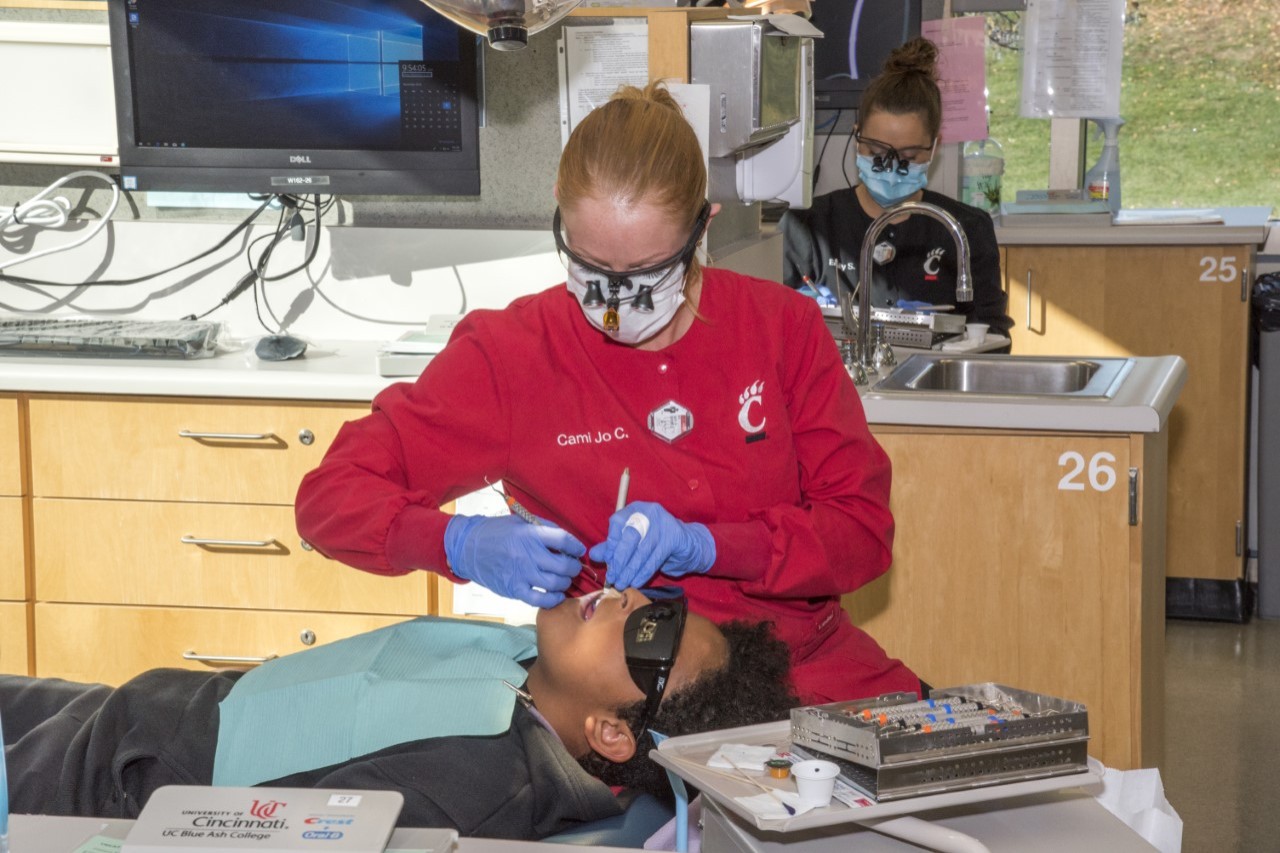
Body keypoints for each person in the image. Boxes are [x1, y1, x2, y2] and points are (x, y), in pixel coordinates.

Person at [294, 81, 924, 705]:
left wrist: (711, 545)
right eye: (591, 269)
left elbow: (860, 533)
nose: (616, 303)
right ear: (560, 213)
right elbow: (329, 501)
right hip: (640, 707)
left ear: (702, 228)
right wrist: (457, 544)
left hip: (805, 668)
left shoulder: (781, 327)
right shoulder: (511, 354)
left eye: (647, 273)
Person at [1, 589, 797, 838]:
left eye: (646, 631)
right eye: (660, 603)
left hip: (95, 779)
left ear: (613, 731)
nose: (629, 600)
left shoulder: (480, 779)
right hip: (123, 710)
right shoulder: (527, 671)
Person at [779, 37, 1013, 340]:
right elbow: (769, 339)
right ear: (857, 136)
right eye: (877, 152)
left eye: (907, 157)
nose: (889, 169)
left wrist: (947, 338)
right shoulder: (808, 225)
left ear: (934, 149)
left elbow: (994, 339)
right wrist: (795, 316)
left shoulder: (966, 230)